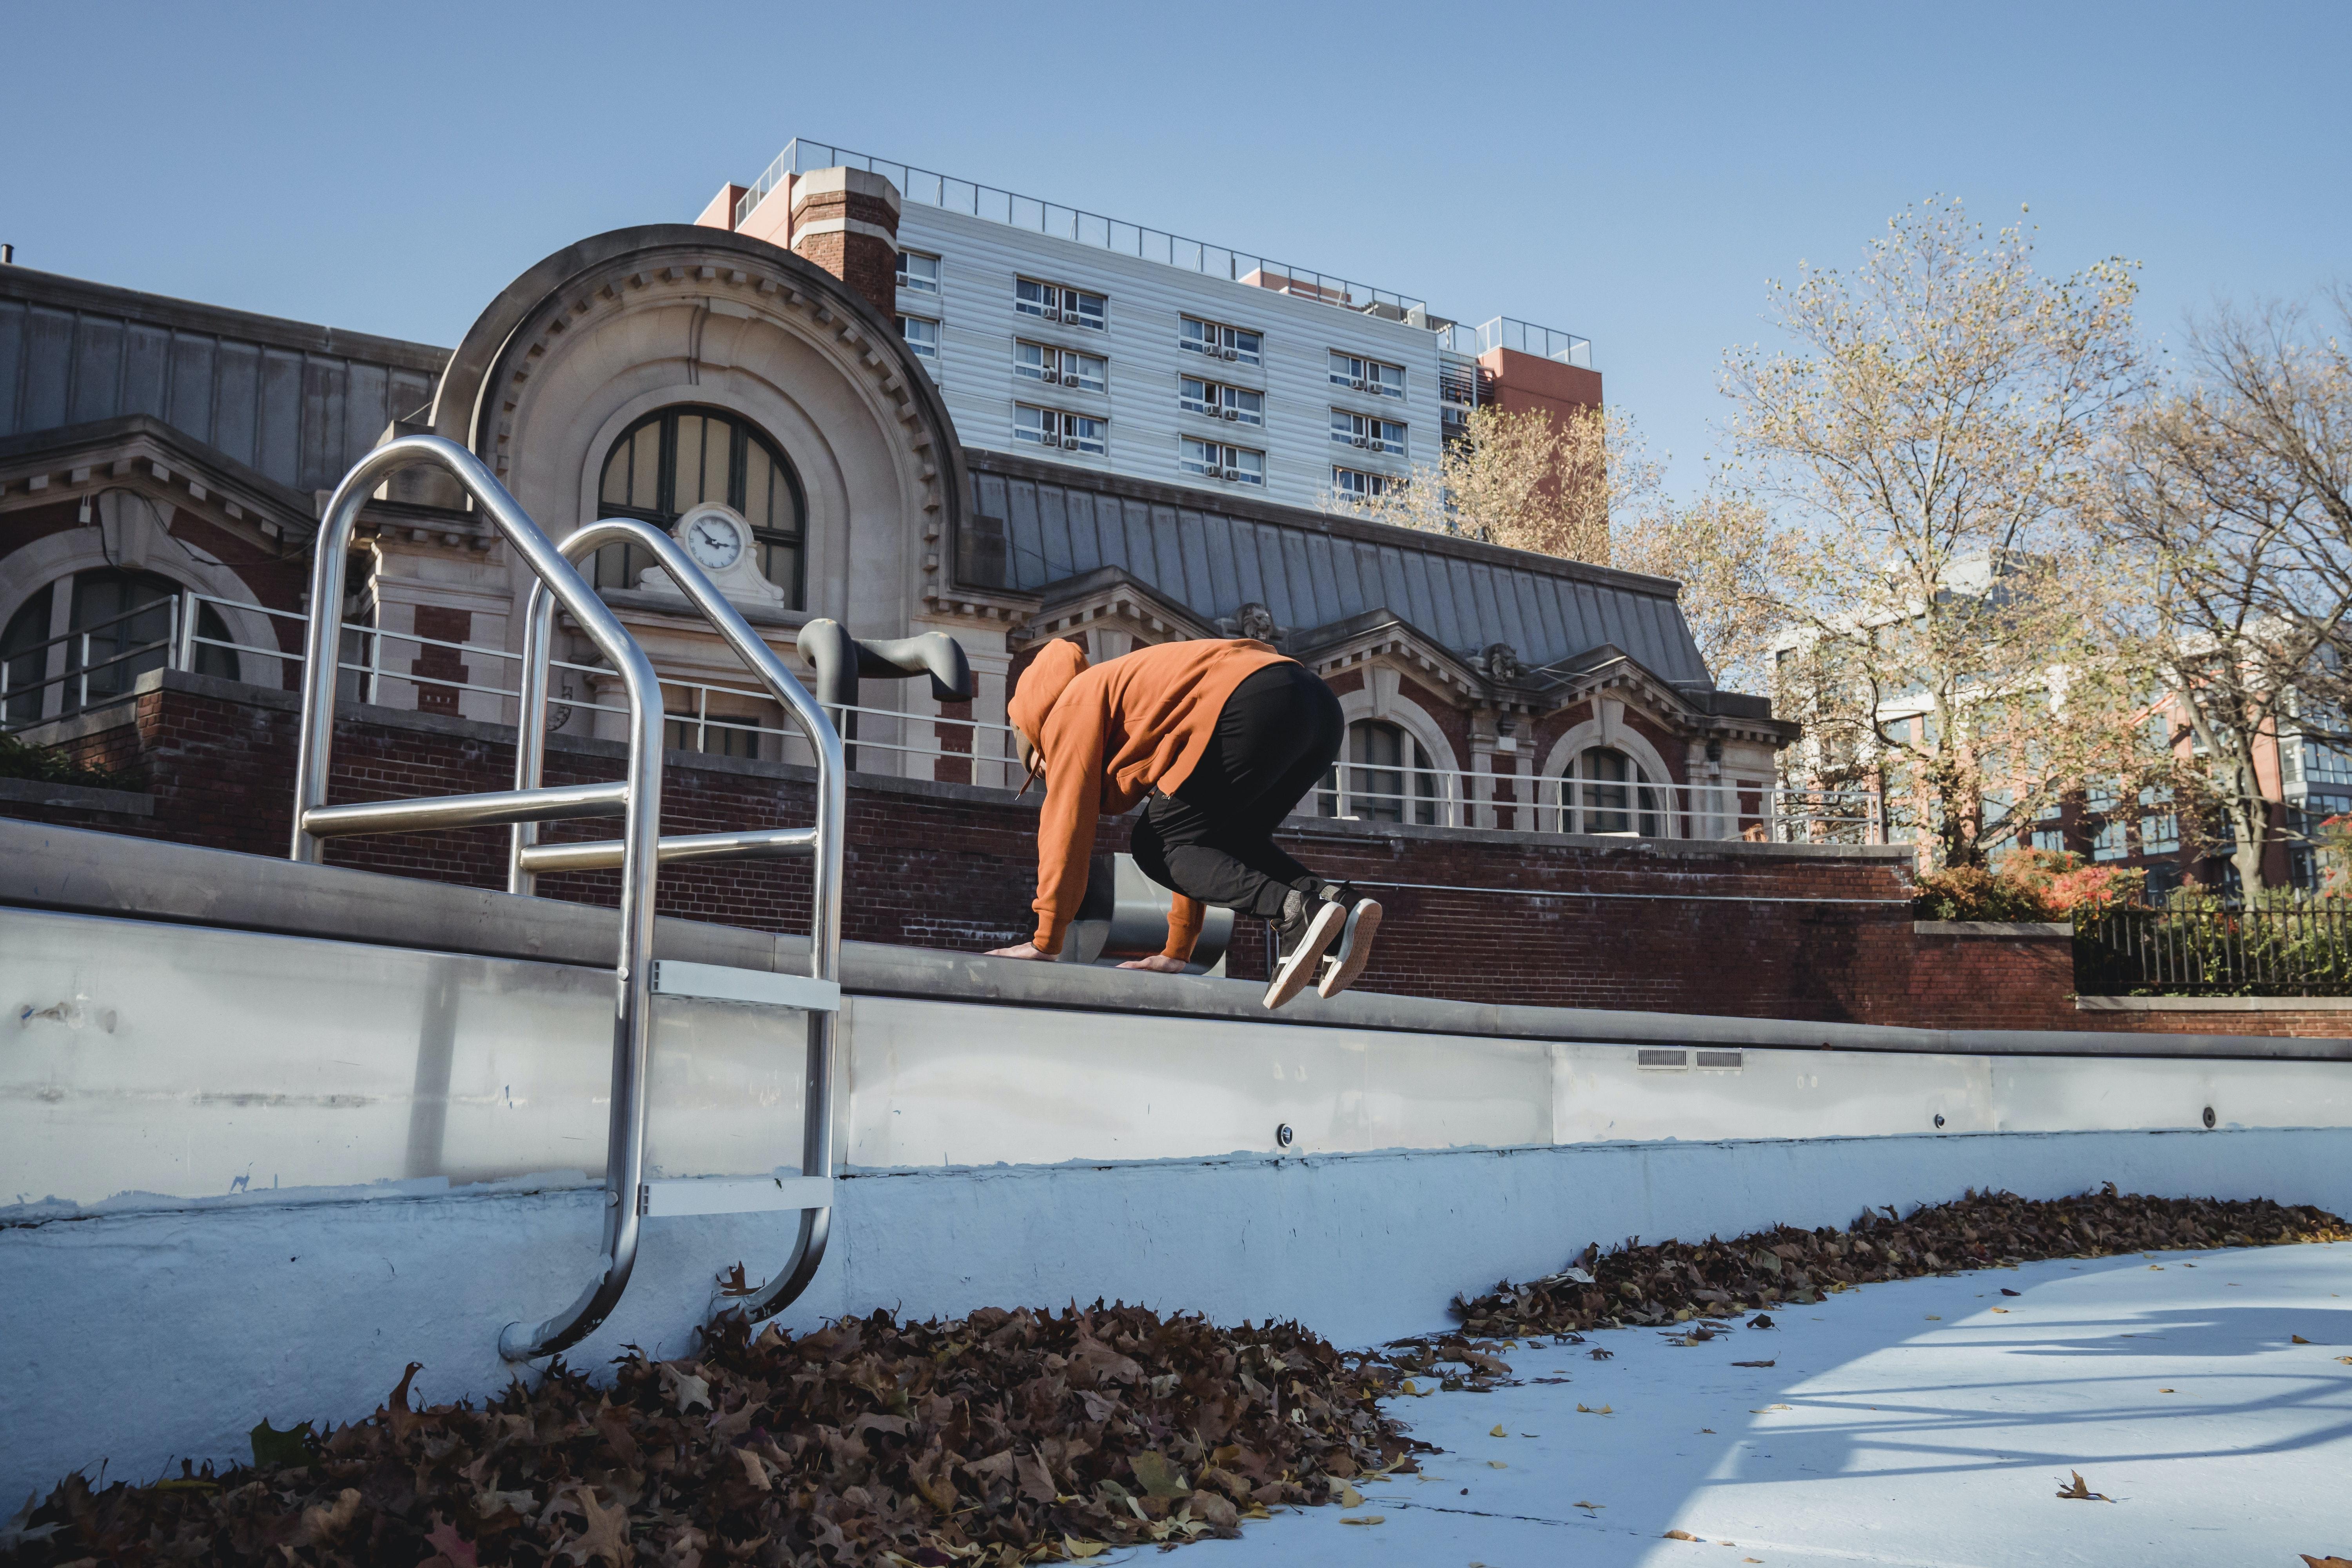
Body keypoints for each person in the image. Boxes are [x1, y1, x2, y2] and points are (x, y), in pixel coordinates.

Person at [984, 635, 1383, 1009]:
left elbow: (1067, 822)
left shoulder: (1070, 707)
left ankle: (1296, 913)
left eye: (1040, 772)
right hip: (1316, 706)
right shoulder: (1133, 702)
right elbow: (1198, 850)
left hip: (1248, 701)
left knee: (1153, 844)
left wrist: (1046, 940)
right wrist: (1178, 952)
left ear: (1036, 743)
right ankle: (1339, 905)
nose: (1049, 778)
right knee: (1229, 839)